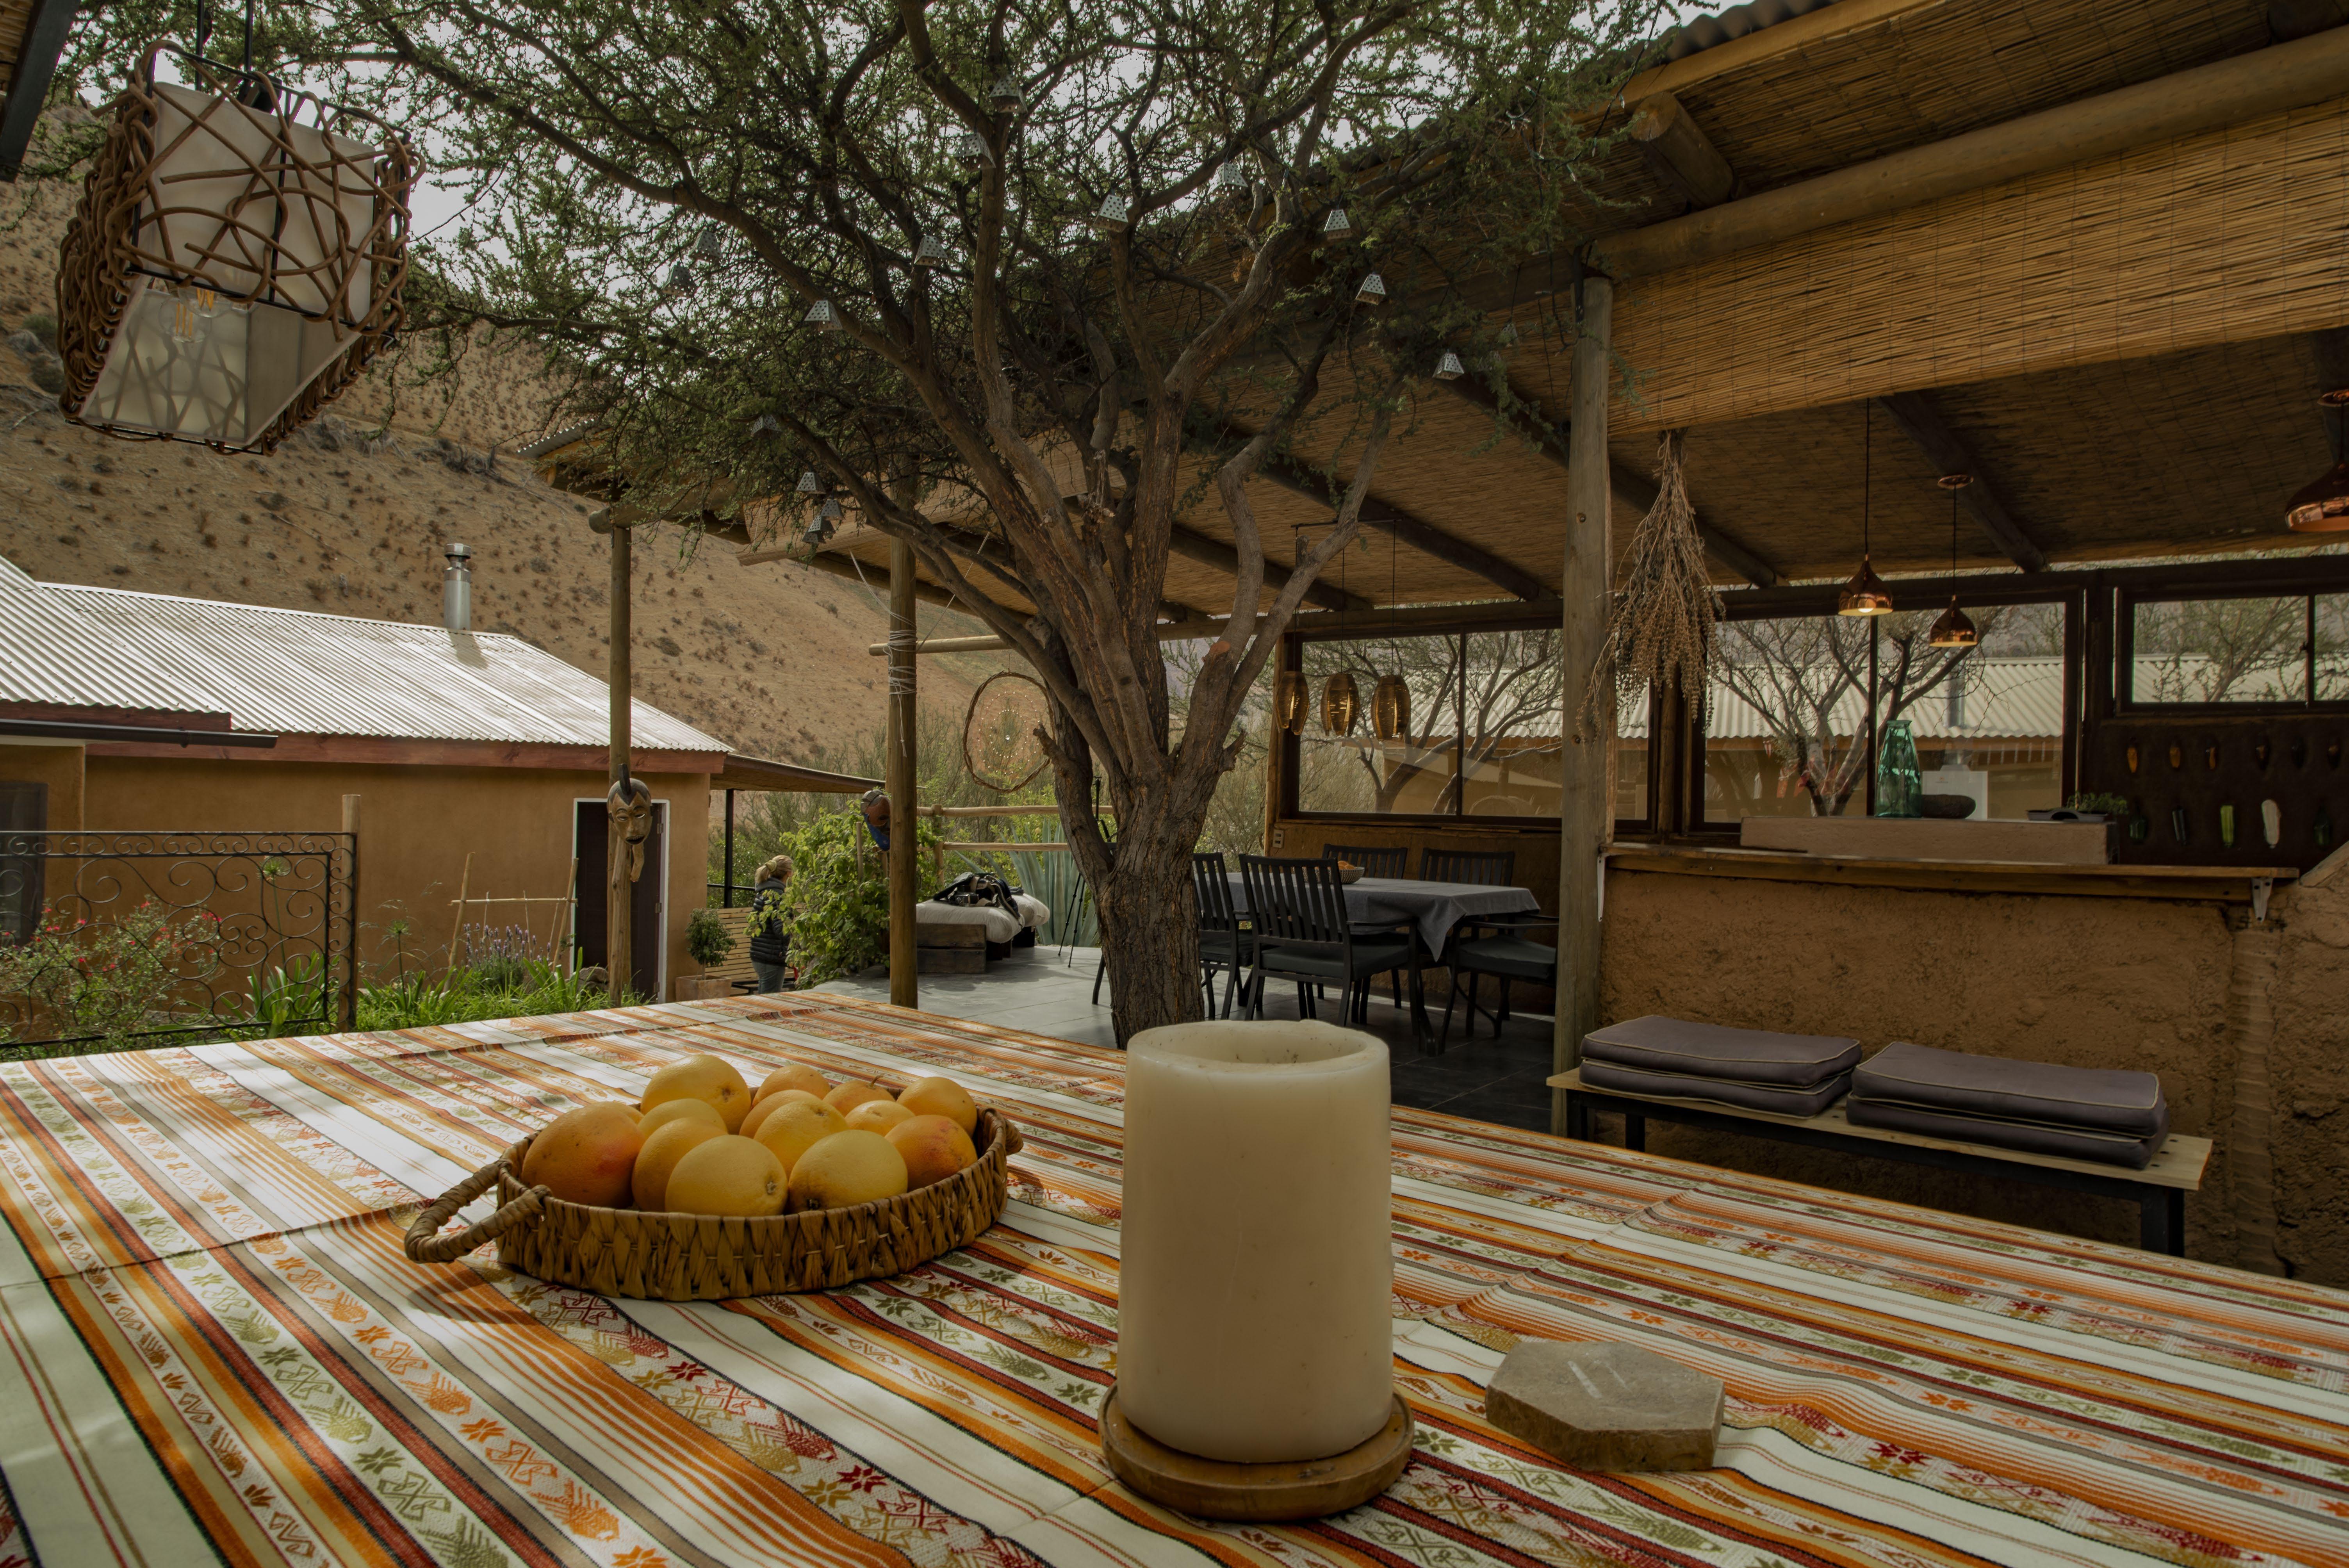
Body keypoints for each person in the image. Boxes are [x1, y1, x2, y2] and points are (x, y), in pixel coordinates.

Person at [745, 853, 795, 992]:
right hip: (771, 958)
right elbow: (781, 930)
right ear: (789, 874)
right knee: (769, 1003)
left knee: (763, 999)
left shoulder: (764, 891)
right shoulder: (778, 896)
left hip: (759, 956)